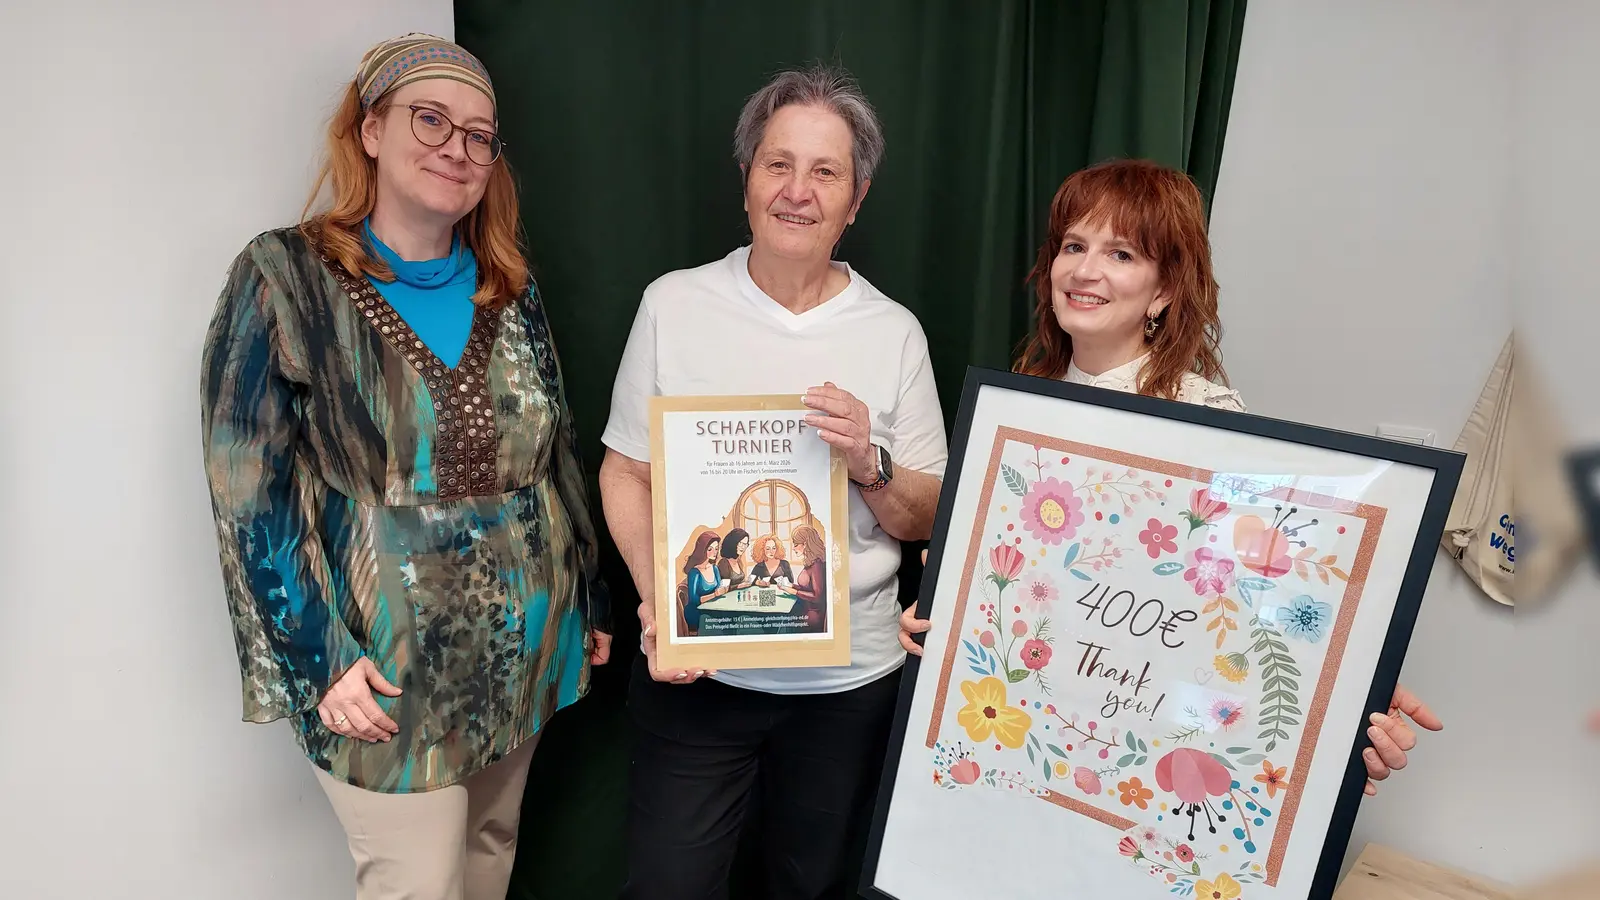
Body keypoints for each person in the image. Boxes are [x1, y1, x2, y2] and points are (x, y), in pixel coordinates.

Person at [199, 33, 610, 900]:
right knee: (417, 883)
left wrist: (591, 594)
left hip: (527, 654)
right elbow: (247, 488)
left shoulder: (508, 282)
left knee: (490, 855)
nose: (457, 150)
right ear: (372, 129)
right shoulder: (285, 278)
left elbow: (557, 449)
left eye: (479, 135)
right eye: (432, 120)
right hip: (381, 667)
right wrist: (319, 657)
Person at [897, 158, 1441, 798]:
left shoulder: (1210, 422)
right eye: (1074, 245)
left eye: (1121, 253)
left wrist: (1347, 701)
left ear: (1162, 291)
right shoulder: (1012, 416)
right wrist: (944, 616)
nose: (1086, 270)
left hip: (1150, 736)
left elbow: (1261, 600)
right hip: (1031, 733)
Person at [598, 63, 947, 899]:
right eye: (777, 164)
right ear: (748, 180)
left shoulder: (895, 331)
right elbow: (624, 469)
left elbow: (927, 512)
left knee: (811, 887)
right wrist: (658, 600)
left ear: (856, 199)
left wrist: (871, 462)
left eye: (824, 172)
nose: (798, 190)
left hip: (849, 685)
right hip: (700, 681)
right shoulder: (673, 305)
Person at [683, 531, 729, 634]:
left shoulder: (715, 568)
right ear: (702, 550)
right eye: (710, 549)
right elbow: (694, 601)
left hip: (712, 607)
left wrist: (722, 590)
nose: (714, 552)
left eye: (716, 549)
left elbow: (718, 588)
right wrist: (715, 594)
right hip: (697, 612)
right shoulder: (694, 573)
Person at [788, 524, 829, 631]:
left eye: (796, 544)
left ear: (805, 544)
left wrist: (794, 592)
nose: (793, 548)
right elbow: (808, 588)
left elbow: (817, 596)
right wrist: (792, 586)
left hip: (812, 618)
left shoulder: (817, 565)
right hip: (806, 612)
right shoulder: (811, 563)